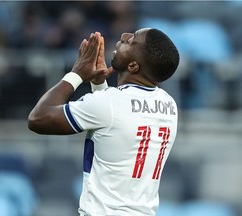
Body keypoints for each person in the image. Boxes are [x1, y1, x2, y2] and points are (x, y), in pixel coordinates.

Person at [28, 28, 180, 216]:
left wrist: (77, 74)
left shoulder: (110, 103)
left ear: (133, 67)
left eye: (132, 40)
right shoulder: (169, 105)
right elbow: (114, 126)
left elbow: (38, 118)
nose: (124, 36)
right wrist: (98, 84)